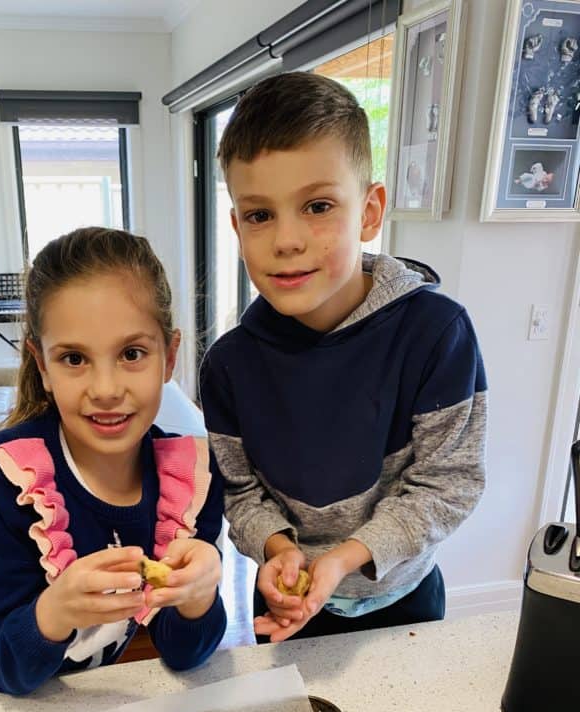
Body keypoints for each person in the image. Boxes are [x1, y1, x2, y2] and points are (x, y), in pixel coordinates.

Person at [199, 72, 487, 644]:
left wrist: (342, 559)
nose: (286, 240)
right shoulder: (228, 366)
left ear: (371, 211)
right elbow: (241, 495)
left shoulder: (438, 334)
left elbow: (448, 485)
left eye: (318, 206)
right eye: (259, 215)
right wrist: (281, 551)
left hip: (404, 598)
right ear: (236, 226)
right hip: (285, 604)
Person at [0, 228, 226, 693]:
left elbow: (183, 651)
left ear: (169, 356)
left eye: (132, 353)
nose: (107, 389)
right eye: (74, 358)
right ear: (42, 366)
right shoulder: (0, 480)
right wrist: (54, 613)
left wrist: (199, 596)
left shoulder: (190, 480)